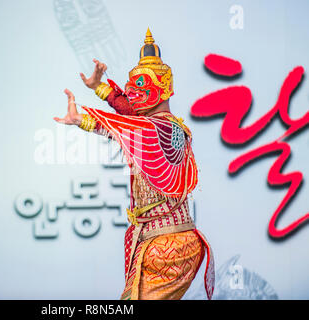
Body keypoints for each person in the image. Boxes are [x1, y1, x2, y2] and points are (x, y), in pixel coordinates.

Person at [53, 29, 214, 300]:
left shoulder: (159, 130)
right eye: (132, 88)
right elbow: (130, 113)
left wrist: (82, 119)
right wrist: (98, 88)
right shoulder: (166, 123)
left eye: (141, 88)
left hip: (166, 249)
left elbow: (129, 125)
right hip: (166, 242)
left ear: (162, 89)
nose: (133, 94)